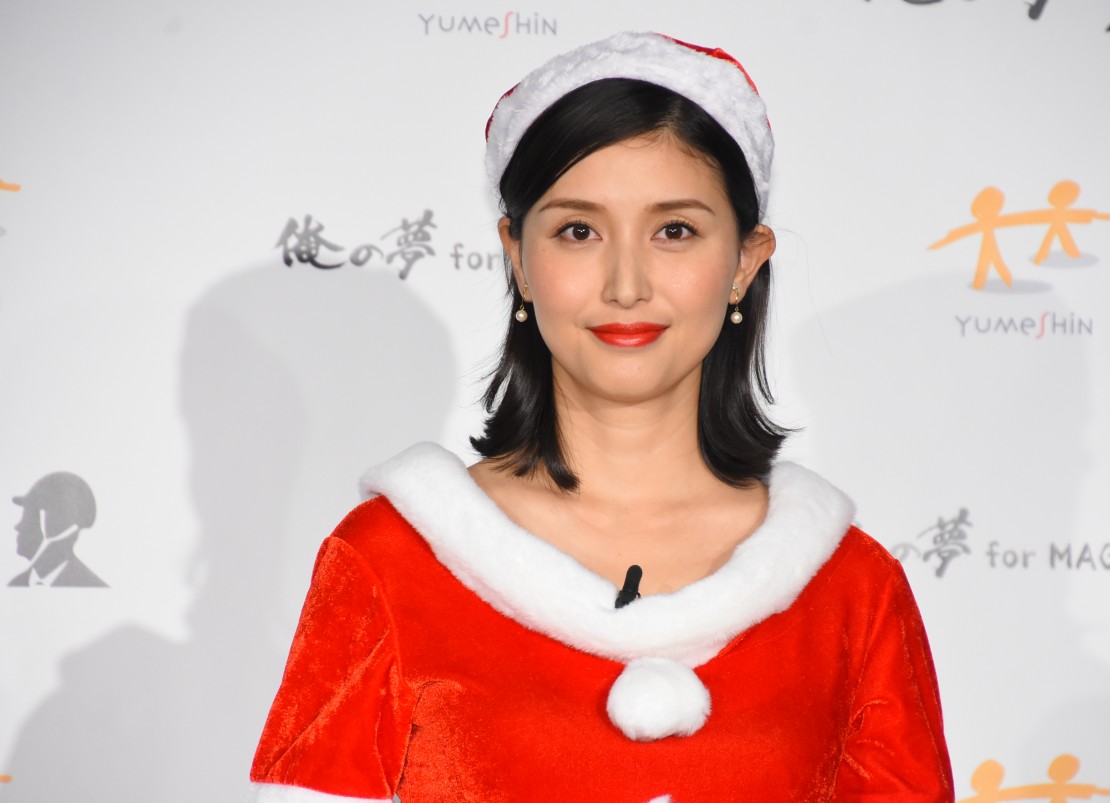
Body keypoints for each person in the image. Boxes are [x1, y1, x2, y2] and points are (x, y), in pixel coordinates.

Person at [248, 32, 953, 802]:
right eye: (578, 230)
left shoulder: (851, 588)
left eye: (675, 230)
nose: (625, 284)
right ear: (518, 256)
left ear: (745, 262)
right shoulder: (388, 561)